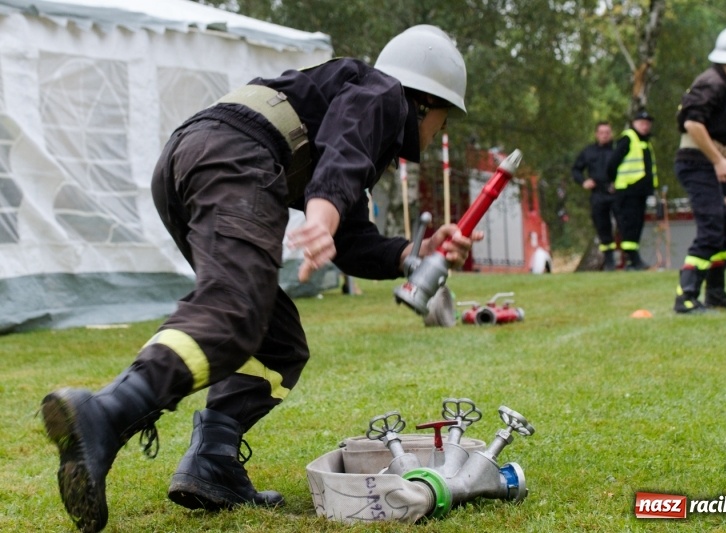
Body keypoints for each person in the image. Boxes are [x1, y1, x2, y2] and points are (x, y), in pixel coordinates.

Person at [40, 25, 479, 533]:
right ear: (425, 102)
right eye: (444, 120)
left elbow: (354, 235)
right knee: (235, 308)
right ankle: (108, 412)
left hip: (191, 159)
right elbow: (344, 151)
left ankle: (213, 461)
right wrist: (322, 211)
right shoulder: (382, 92)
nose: (439, 133)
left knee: (278, 341)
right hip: (234, 157)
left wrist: (414, 253)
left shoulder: (354, 102)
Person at [672, 23, 726, 313]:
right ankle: (685, 297)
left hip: (701, 163)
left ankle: (716, 293)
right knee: (710, 228)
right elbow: (692, 123)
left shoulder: (716, 80)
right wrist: (719, 160)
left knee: (720, 230)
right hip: (696, 164)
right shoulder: (713, 82)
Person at [607, 110, 657, 270]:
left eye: (647, 123)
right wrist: (613, 181)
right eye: (642, 123)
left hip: (640, 192)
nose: (645, 126)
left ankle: (634, 258)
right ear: (634, 123)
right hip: (628, 190)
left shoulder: (645, 141)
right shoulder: (628, 138)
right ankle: (631, 259)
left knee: (637, 224)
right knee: (628, 225)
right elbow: (612, 163)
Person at [571, 121, 618, 271]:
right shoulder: (588, 152)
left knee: (623, 224)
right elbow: (576, 170)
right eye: (602, 132)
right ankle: (609, 261)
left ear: (611, 134)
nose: (605, 135)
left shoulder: (617, 150)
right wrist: (584, 182)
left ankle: (629, 258)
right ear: (596, 134)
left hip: (616, 193)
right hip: (598, 193)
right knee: (602, 227)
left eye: (607, 132)